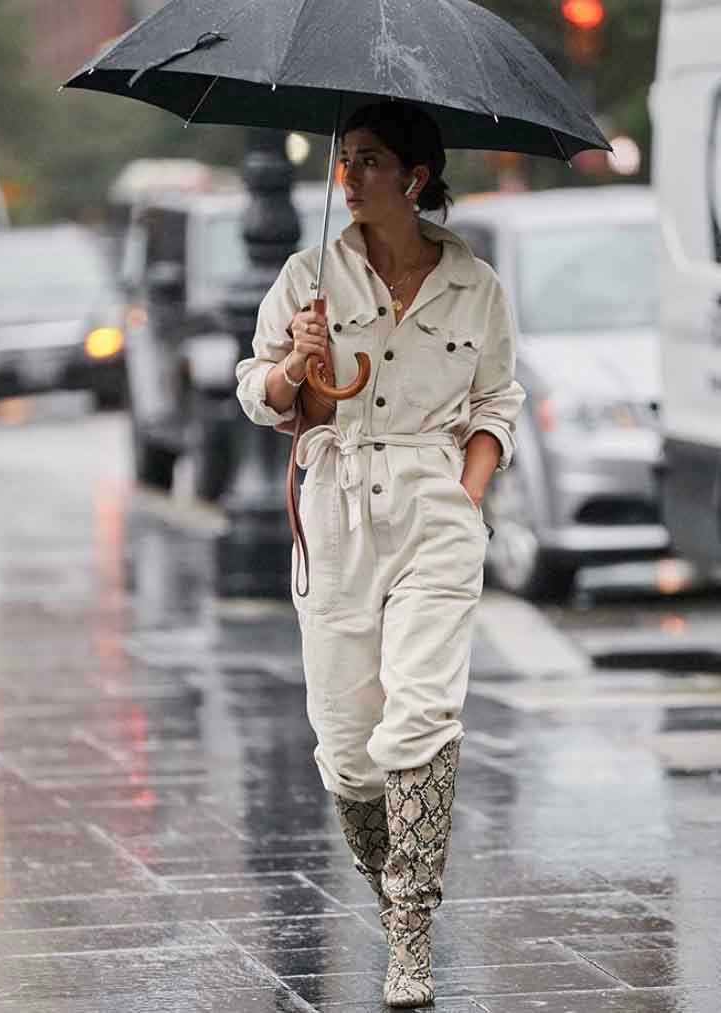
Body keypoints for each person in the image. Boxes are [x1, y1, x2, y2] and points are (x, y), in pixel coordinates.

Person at [236, 100, 525, 1008]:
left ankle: (410, 933)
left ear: (414, 177)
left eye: (367, 160)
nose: (348, 176)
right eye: (342, 159)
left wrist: (465, 500)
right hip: (334, 515)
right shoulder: (306, 275)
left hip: (433, 510)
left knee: (420, 718)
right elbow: (260, 393)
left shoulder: (473, 283)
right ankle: (394, 884)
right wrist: (295, 363)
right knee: (350, 752)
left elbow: (496, 403)